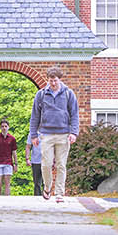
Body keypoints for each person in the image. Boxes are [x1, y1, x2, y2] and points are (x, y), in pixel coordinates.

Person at [27, 65, 79, 203]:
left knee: (61, 164)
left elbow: (74, 114)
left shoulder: (68, 93)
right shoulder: (41, 94)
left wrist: (73, 132)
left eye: (55, 80)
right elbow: (35, 116)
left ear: (59, 80)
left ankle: (60, 193)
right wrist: (33, 135)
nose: (53, 83)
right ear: (48, 80)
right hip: (46, 134)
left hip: (63, 134)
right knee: (46, 164)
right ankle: (47, 187)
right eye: (51, 80)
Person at [0, 119, 18, 196]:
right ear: (0, 127)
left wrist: (16, 164)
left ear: (8, 127)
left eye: (6, 126)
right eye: (2, 126)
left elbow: (14, 152)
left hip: (8, 162)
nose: (4, 128)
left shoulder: (12, 139)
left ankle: (7, 198)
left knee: (7, 183)